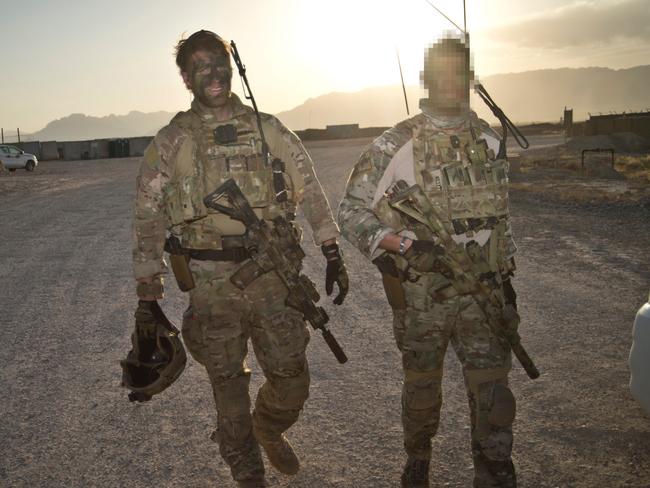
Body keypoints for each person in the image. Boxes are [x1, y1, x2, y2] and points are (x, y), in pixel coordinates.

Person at [132, 30, 348, 488]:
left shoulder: (268, 129)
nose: (213, 73)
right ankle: (244, 463)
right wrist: (148, 292)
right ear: (186, 78)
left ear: (231, 68)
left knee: (292, 380)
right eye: (200, 67)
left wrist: (331, 247)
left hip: (273, 276)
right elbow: (147, 214)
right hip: (211, 285)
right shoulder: (172, 140)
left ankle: (266, 427)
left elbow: (309, 188)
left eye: (219, 63)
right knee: (228, 381)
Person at [338, 36, 519, 488]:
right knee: (422, 390)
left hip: (484, 293)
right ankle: (418, 454)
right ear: (425, 79)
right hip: (423, 295)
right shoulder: (397, 143)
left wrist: (507, 284)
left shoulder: (491, 141)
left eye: (458, 72)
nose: (449, 82)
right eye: (439, 73)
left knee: (493, 394)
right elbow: (350, 212)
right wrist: (400, 245)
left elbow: (499, 218)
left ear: (470, 78)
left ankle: (494, 468)